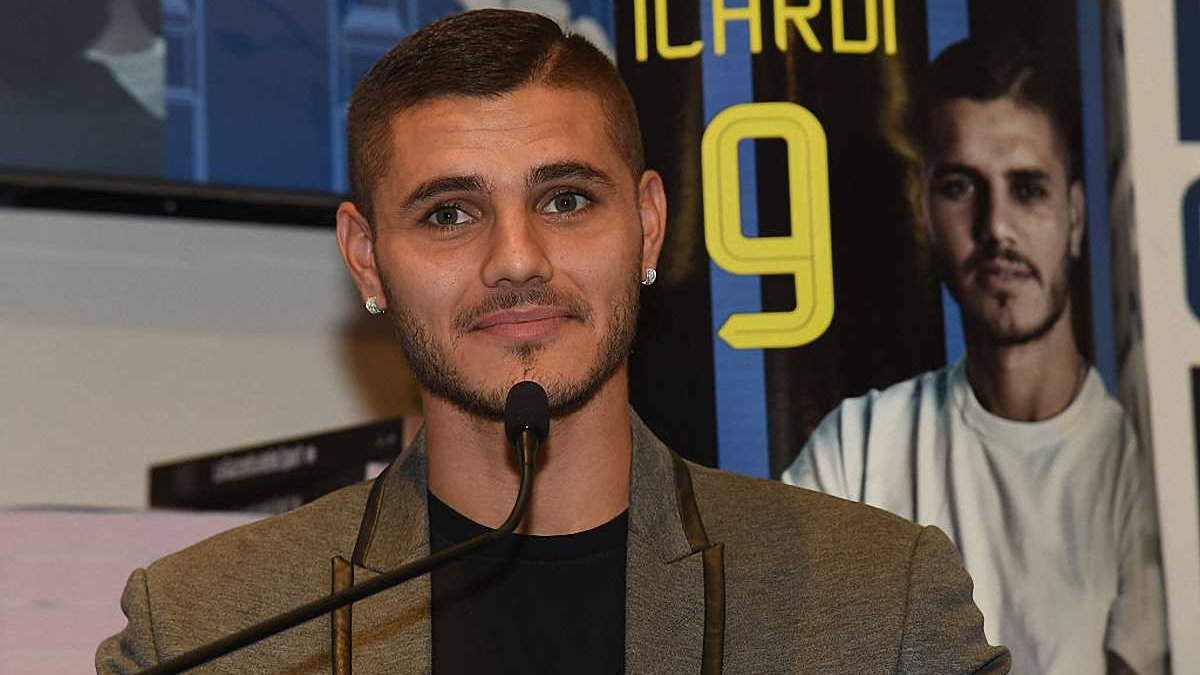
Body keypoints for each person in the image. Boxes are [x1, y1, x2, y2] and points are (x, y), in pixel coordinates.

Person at [97, 10, 1008, 674]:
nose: (516, 260)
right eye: (449, 213)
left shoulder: (879, 603)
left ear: (649, 226)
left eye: (565, 200)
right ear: (366, 258)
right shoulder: (206, 631)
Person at [784, 37, 1167, 675]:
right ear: (924, 211)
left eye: (1028, 189)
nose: (996, 227)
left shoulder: (1143, 462)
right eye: (961, 187)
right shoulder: (859, 448)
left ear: (1075, 217)